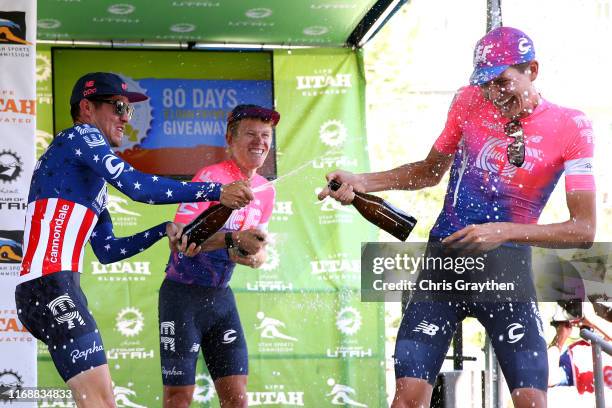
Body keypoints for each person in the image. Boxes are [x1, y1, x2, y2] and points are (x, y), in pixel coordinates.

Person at [318, 27, 596, 408]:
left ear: (532, 70)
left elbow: (584, 230)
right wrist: (362, 181)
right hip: (443, 269)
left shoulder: (571, 126)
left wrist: (505, 232)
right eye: (486, 85)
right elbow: (430, 172)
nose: (495, 95)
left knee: (532, 401)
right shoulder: (467, 102)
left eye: (503, 82)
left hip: (507, 275)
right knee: (407, 400)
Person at [14, 72, 253, 408]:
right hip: (49, 287)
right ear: (87, 107)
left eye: (130, 111)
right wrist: (216, 191)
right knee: (101, 403)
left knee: (99, 402)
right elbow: (139, 187)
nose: (127, 119)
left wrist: (161, 230)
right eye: (120, 107)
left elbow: (107, 250)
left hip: (56, 287)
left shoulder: (90, 177)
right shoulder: (80, 136)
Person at [158, 104, 278, 408]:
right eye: (250, 134)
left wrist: (254, 256)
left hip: (221, 299)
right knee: (178, 399)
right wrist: (234, 239)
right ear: (230, 138)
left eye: (265, 135)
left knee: (237, 399)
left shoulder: (265, 189)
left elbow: (259, 250)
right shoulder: (210, 178)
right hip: (181, 299)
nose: (260, 141)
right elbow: (182, 240)